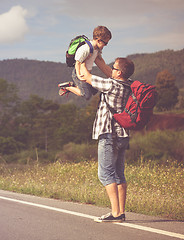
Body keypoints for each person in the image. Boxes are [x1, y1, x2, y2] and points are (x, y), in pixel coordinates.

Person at [80, 57, 135, 222]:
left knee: (105, 174)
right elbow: (106, 70)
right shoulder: (129, 84)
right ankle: (121, 212)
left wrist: (81, 58)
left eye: (114, 67)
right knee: (119, 174)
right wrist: (97, 57)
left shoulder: (110, 85)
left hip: (108, 133)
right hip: (123, 134)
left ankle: (115, 213)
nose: (111, 69)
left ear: (118, 73)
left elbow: (85, 75)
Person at [58, 26, 112, 100]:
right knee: (86, 95)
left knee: (95, 90)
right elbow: (78, 62)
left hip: (87, 73)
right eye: (105, 43)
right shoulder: (86, 48)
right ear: (99, 40)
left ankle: (74, 85)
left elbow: (101, 61)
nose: (106, 45)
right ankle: (67, 88)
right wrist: (79, 76)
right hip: (79, 73)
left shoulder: (97, 49)